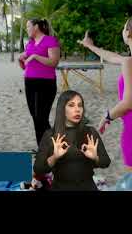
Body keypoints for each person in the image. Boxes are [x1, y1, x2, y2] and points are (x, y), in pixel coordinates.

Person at [78, 18, 132, 188]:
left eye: (124, 27)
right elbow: (112, 57)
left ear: (128, 33)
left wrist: (107, 116)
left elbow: (129, 102)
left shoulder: (129, 63)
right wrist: (90, 46)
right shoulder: (127, 61)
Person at [34, 90, 110, 190]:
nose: (77, 109)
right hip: (60, 187)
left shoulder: (90, 132)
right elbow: (38, 169)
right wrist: (54, 157)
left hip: (87, 186)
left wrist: (95, 158)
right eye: (71, 105)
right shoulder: (50, 135)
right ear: (62, 109)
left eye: (80, 105)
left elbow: (106, 162)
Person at [19, 19, 60, 150]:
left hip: (46, 83)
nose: (27, 29)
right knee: (35, 117)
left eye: (28, 26)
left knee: (41, 117)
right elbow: (26, 66)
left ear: (36, 27)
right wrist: (21, 61)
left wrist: (35, 56)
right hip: (30, 82)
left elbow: (54, 62)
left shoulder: (50, 40)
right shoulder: (30, 43)